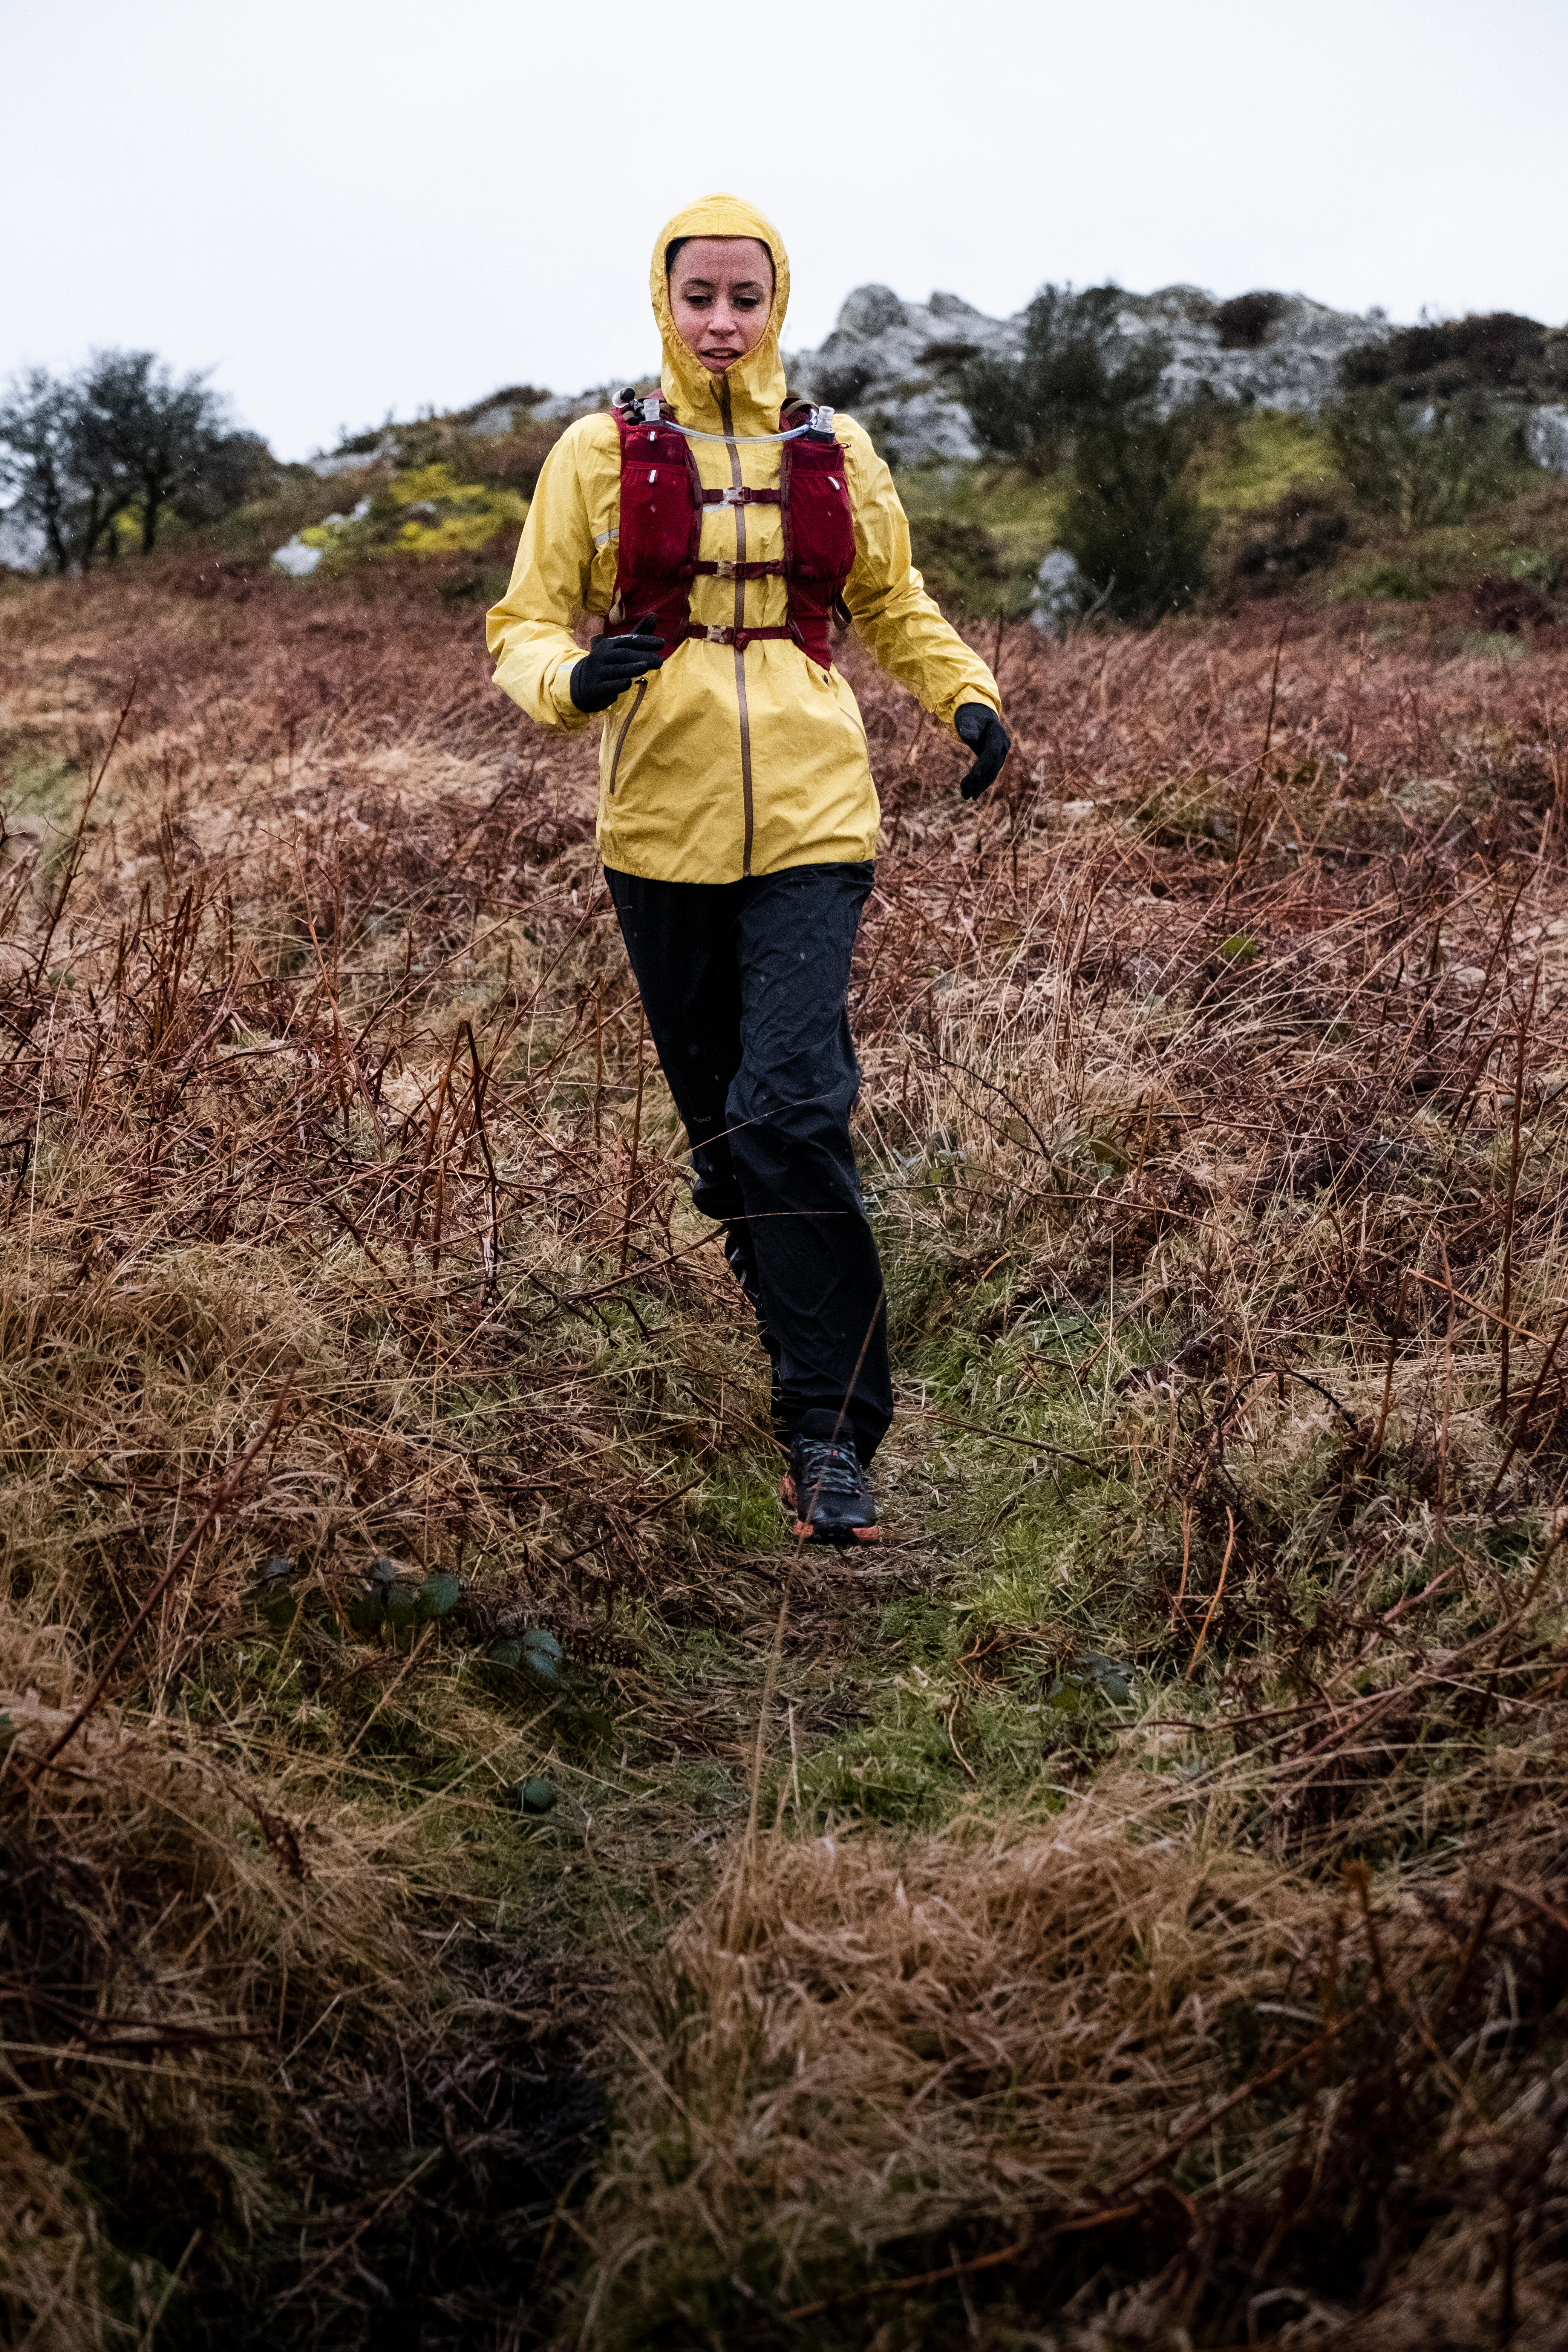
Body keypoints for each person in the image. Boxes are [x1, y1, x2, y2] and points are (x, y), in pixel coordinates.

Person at [487, 193, 1010, 1545]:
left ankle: (832, 1440)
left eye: (747, 298)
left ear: (781, 304)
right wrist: (569, 680)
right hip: (657, 834)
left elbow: (891, 602)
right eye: (698, 297)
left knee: (789, 1109)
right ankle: (785, 1289)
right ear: (659, 302)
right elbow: (523, 625)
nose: (723, 323)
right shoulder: (594, 453)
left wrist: (966, 696)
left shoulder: (836, 448)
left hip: (817, 825)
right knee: (728, 1148)